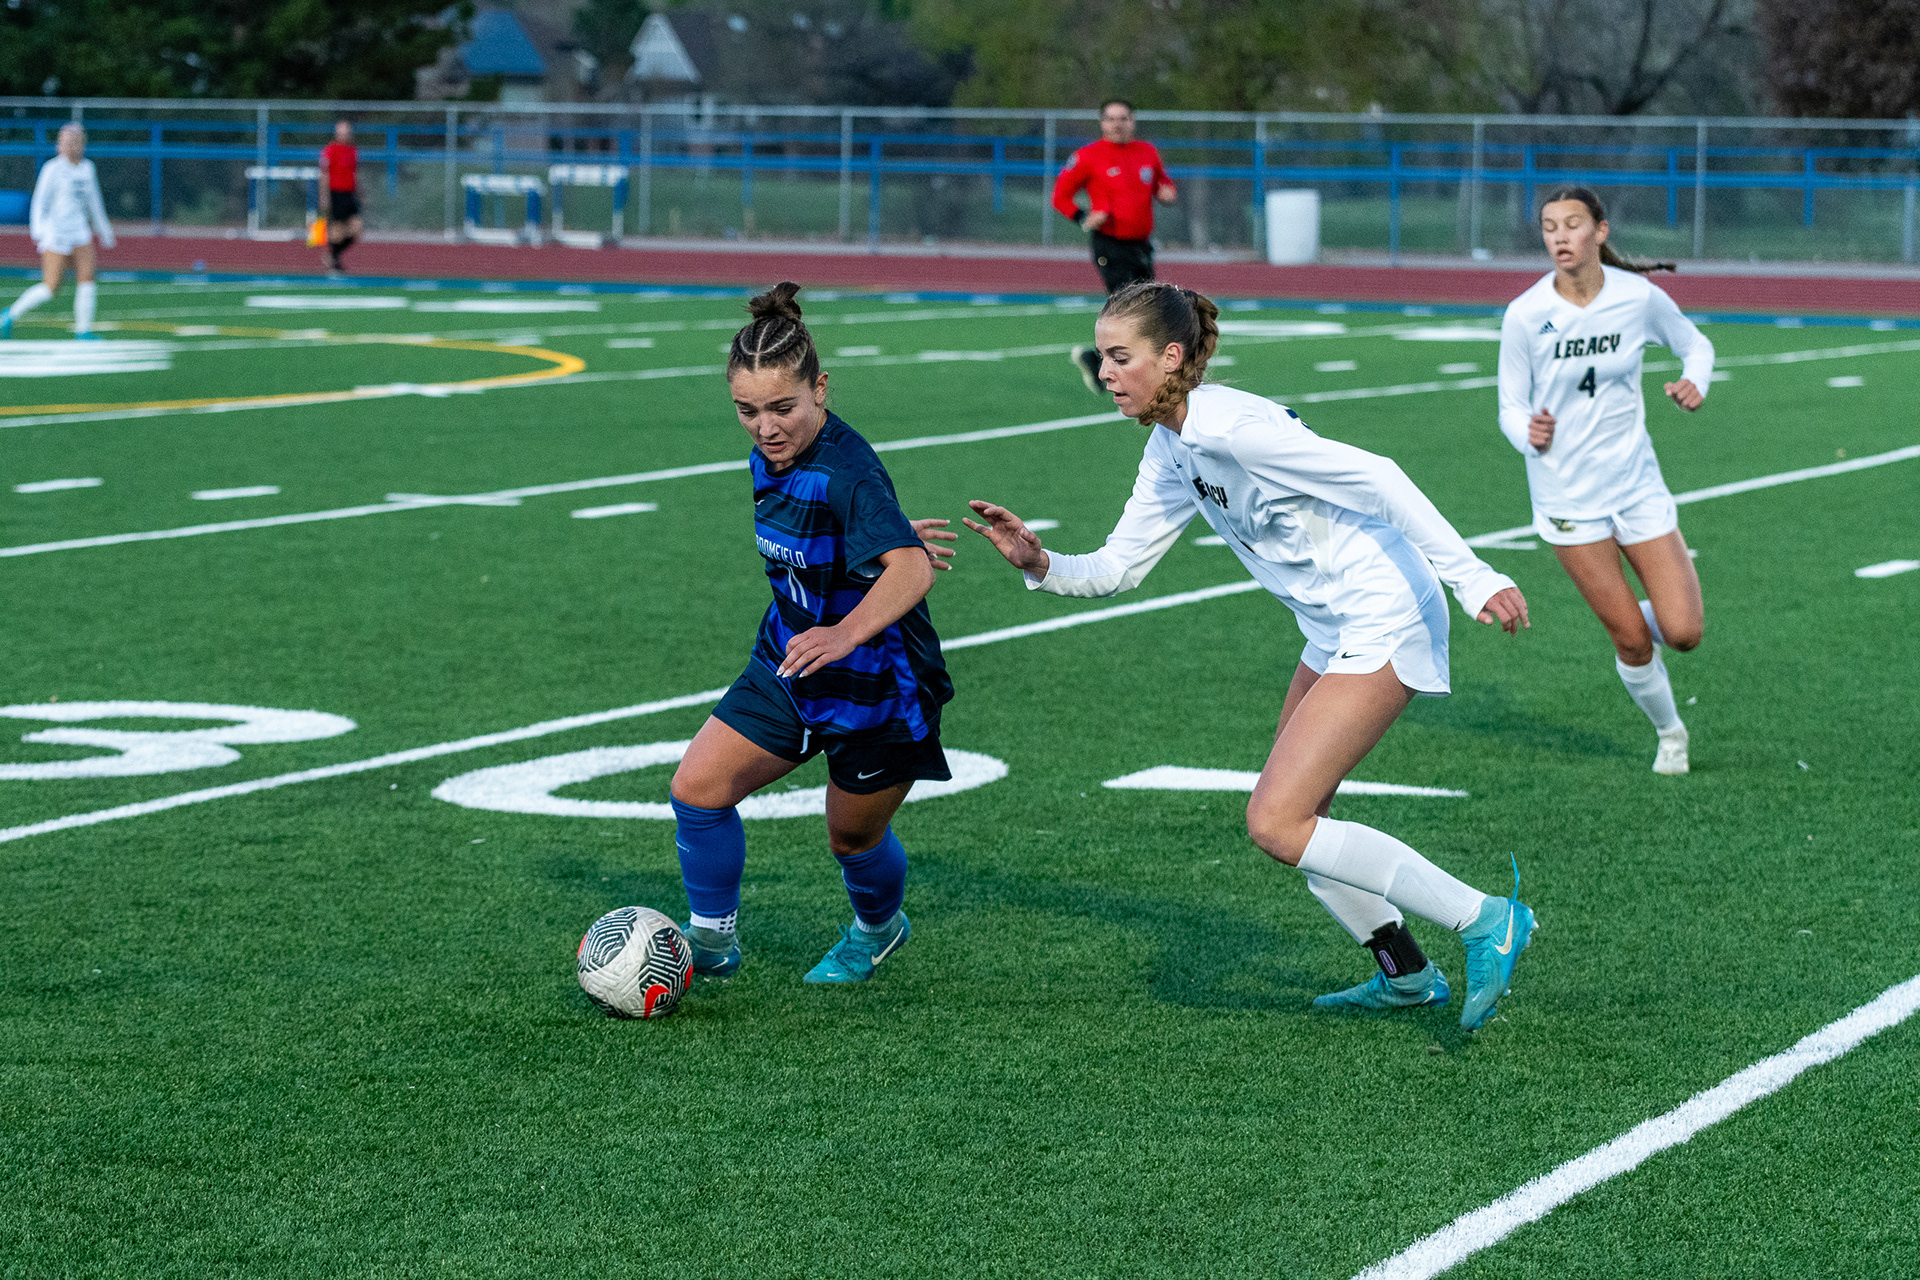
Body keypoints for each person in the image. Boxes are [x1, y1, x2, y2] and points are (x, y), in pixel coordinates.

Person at [964, 281, 1537, 1028]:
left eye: (1119, 357)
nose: (1104, 373)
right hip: (1332, 626)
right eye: (1102, 357)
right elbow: (1119, 568)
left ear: (1172, 357)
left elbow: (1381, 478)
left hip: (1385, 612)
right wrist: (1040, 563)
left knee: (1276, 821)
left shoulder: (1234, 431)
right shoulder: (1170, 446)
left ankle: (1486, 920)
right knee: (1306, 820)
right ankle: (1406, 975)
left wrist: (1474, 576)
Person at [667, 281, 957, 985]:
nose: (765, 427)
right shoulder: (773, 456)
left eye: (782, 408)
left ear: (820, 390)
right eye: (747, 410)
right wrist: (874, 540)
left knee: (851, 838)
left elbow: (913, 570)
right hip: (791, 659)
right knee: (697, 790)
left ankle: (878, 928)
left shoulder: (845, 471)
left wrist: (845, 629)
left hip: (878, 684)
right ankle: (712, 941)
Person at [1498, 186, 1714, 775]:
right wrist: (1527, 433)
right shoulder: (1525, 314)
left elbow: (1695, 346)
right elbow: (1509, 406)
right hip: (1566, 496)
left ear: (1600, 231)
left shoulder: (1637, 297)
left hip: (1636, 484)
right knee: (1632, 641)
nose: (1560, 237)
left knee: (1684, 631)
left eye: (1572, 224)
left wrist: (1694, 382)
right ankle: (1670, 733)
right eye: (1549, 227)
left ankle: (1637, 612)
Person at [1052, 99, 1176, 393]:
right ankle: (1137, 377)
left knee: (1145, 308)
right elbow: (1060, 196)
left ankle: (1097, 360)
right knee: (1128, 308)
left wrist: (1167, 192)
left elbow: (1163, 183)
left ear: (1133, 120)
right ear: (1102, 122)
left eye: (1123, 118)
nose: (1117, 124)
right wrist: (1083, 217)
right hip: (1109, 244)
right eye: (1111, 119)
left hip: (1141, 245)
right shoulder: (1088, 156)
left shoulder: (1147, 152)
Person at [1, 123, 114, 341]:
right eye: (65, 142)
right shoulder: (52, 169)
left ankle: (83, 330)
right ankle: (10, 314)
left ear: (82, 143)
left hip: (80, 232)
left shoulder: (87, 168)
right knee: (51, 286)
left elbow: (94, 202)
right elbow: (39, 202)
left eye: (74, 141)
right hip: (56, 234)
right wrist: (39, 232)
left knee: (87, 278)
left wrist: (104, 230)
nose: (70, 146)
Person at [318, 120, 363, 274]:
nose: (344, 135)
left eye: (346, 132)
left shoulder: (353, 150)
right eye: (341, 133)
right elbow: (324, 174)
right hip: (335, 193)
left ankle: (333, 256)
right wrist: (324, 197)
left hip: (349, 194)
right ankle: (334, 261)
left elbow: (354, 173)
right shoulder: (330, 150)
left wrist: (359, 193)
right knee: (336, 231)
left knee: (356, 228)